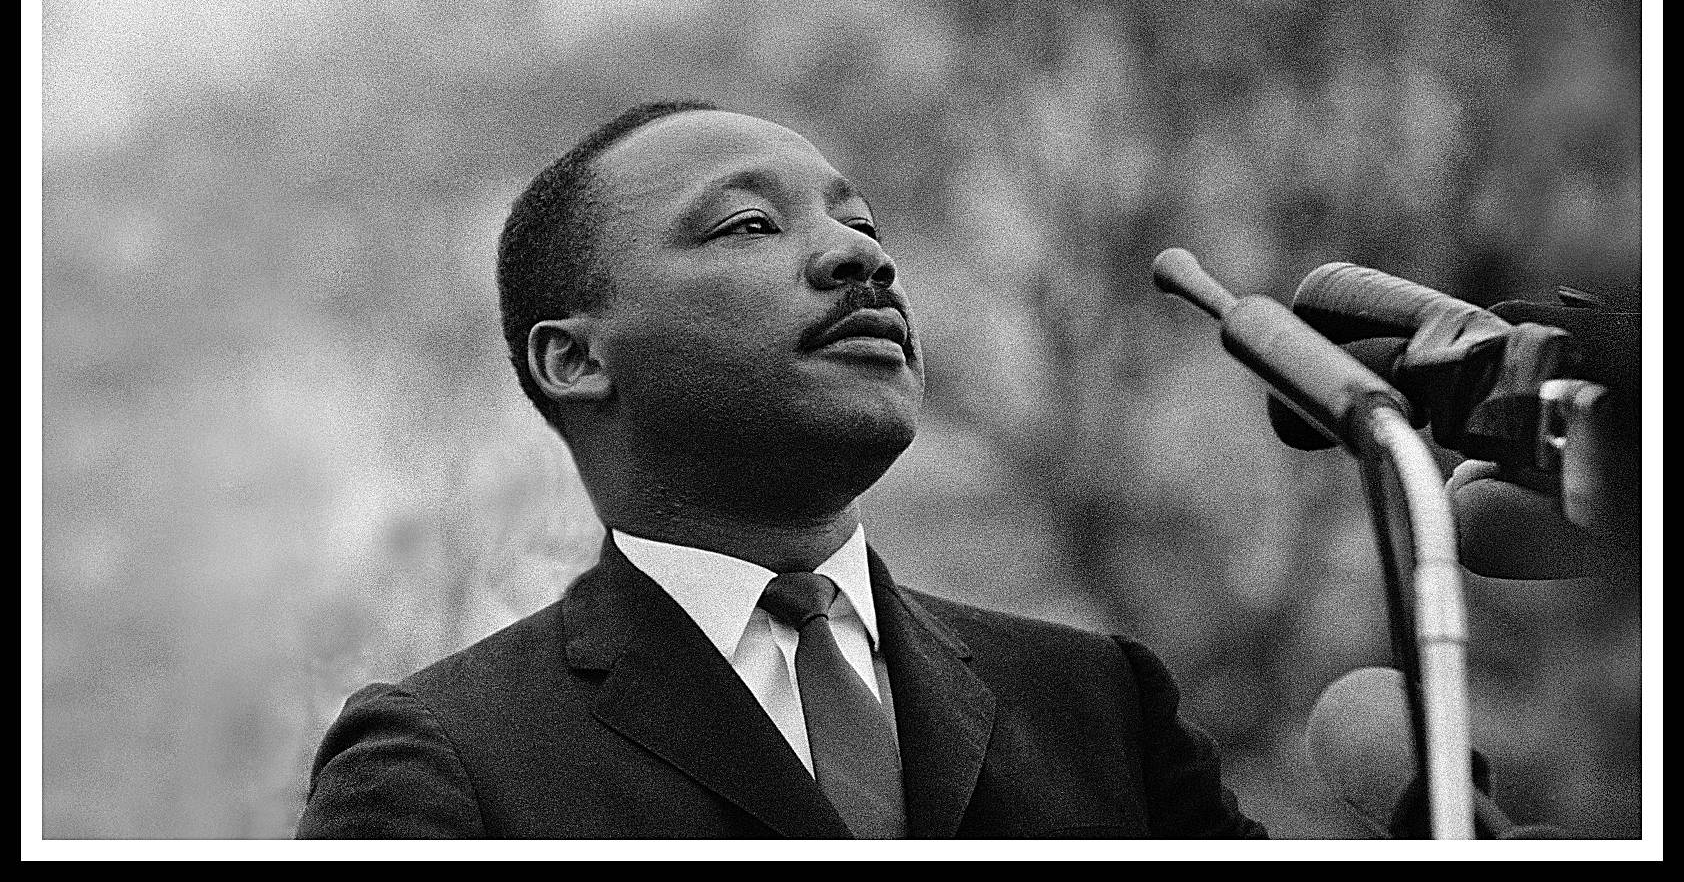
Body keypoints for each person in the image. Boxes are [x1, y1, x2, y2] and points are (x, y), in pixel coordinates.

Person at [294, 100, 1266, 839]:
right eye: (750, 225)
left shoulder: (1099, 704)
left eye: (866, 226)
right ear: (577, 359)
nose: (858, 258)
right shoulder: (446, 760)